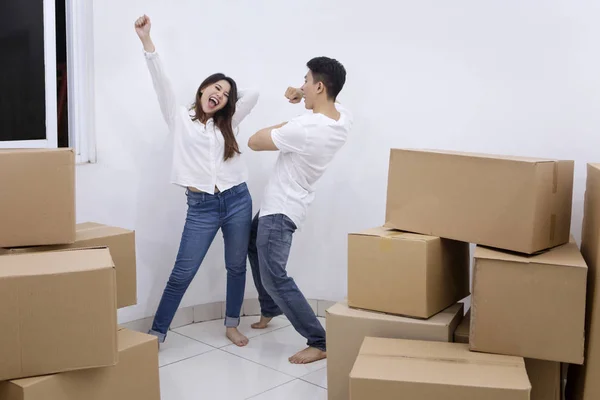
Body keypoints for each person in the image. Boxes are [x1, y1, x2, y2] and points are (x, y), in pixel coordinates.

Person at [134, 15, 259, 347]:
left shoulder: (227, 121)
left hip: (236, 199)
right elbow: (160, 80)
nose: (219, 94)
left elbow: (255, 93)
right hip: (201, 207)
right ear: (203, 89)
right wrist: (147, 41)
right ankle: (158, 333)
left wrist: (230, 98)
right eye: (215, 87)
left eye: (226, 93)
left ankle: (232, 323)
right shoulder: (179, 118)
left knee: (235, 265)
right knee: (181, 274)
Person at [246, 57, 353, 363]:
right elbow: (332, 104)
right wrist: (303, 95)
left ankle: (320, 341)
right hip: (284, 204)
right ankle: (271, 308)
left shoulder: (305, 128)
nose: (301, 85)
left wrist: (290, 121)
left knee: (275, 276)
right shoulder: (342, 118)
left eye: (306, 81)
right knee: (253, 246)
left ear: (319, 86)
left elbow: (254, 141)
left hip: (280, 211)